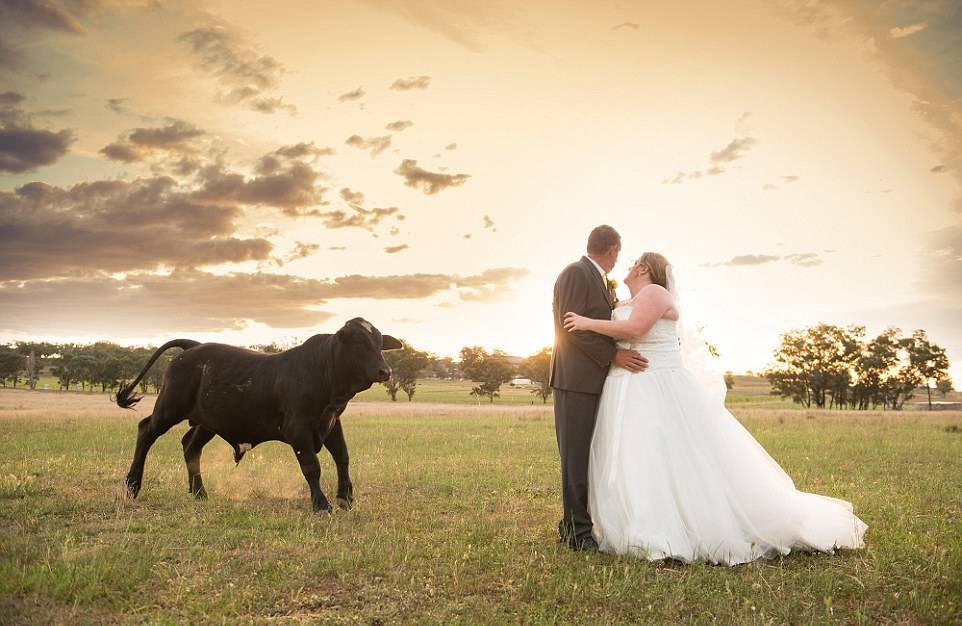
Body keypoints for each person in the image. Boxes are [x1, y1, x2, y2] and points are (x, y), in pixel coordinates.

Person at [563, 252, 868, 565]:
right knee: (637, 457)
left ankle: (673, 528)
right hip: (626, 388)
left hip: (657, 385)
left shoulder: (655, 292)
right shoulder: (625, 301)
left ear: (643, 267)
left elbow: (636, 329)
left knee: (668, 456)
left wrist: (586, 323)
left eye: (632, 263)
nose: (627, 267)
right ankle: (632, 525)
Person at [549, 225, 649, 551]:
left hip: (593, 381)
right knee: (575, 457)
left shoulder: (598, 280)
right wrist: (614, 355)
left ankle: (570, 525)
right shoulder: (576, 274)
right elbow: (571, 327)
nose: (618, 260)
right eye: (618, 253)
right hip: (575, 381)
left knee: (588, 456)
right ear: (612, 250)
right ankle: (578, 534)